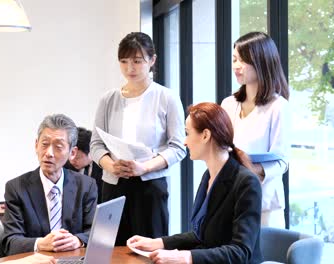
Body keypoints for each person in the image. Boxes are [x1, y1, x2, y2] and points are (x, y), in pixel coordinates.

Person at [127, 102, 263, 264]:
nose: (184, 142)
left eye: (187, 133)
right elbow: (202, 235)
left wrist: (186, 256)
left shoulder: (246, 183)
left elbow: (240, 252)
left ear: (205, 135)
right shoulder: (209, 175)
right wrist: (158, 243)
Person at [90, 32, 187, 245]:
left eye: (137, 61)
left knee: (149, 249)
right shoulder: (108, 99)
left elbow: (178, 147)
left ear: (152, 60)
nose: (129, 68)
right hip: (113, 184)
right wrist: (110, 164)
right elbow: (96, 145)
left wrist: (145, 167)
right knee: (110, 248)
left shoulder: (166, 97)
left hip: (150, 186)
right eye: (124, 61)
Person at [1, 114, 98, 256]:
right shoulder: (16, 188)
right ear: (36, 145)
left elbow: (95, 232)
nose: (49, 153)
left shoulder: (86, 186)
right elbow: (10, 241)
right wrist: (40, 244)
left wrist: (78, 240)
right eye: (44, 144)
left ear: (72, 153)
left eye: (58, 147)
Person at [221, 31, 290, 228]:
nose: (236, 66)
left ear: (261, 62)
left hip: (265, 204)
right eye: (234, 59)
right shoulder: (228, 104)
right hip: (231, 198)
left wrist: (254, 169)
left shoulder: (278, 106)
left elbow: (282, 160)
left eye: (242, 61)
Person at [64, 127, 103, 202]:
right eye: (70, 155)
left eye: (77, 157)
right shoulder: (65, 165)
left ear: (91, 152)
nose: (72, 161)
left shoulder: (102, 168)